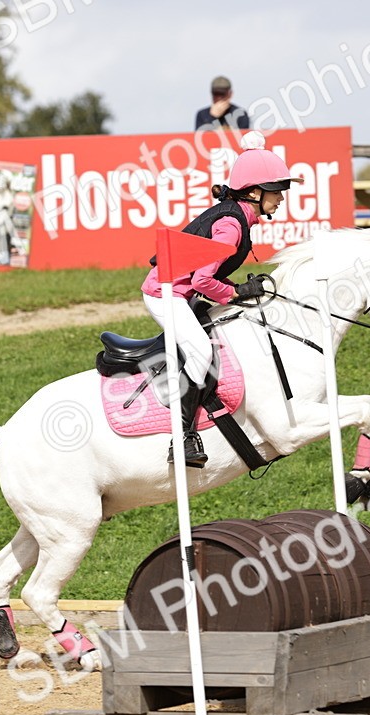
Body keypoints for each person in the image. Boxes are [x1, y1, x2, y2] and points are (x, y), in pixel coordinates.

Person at [140, 131, 298, 468]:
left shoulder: (237, 216)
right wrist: (237, 292)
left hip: (181, 290)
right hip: (165, 293)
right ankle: (181, 438)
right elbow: (201, 279)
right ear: (255, 192)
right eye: (277, 192)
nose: (281, 198)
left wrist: (237, 290)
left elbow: (205, 274)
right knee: (199, 352)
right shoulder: (231, 225)